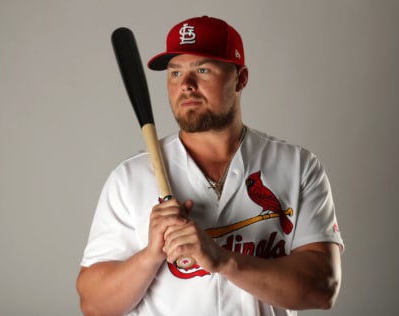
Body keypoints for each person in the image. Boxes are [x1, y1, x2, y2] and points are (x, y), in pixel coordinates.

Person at [76, 16, 344, 316]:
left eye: (202, 70)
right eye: (175, 73)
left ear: (240, 79)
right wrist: (152, 254)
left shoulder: (297, 167)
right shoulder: (129, 178)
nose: (186, 85)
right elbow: (93, 304)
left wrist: (222, 260)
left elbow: (323, 289)